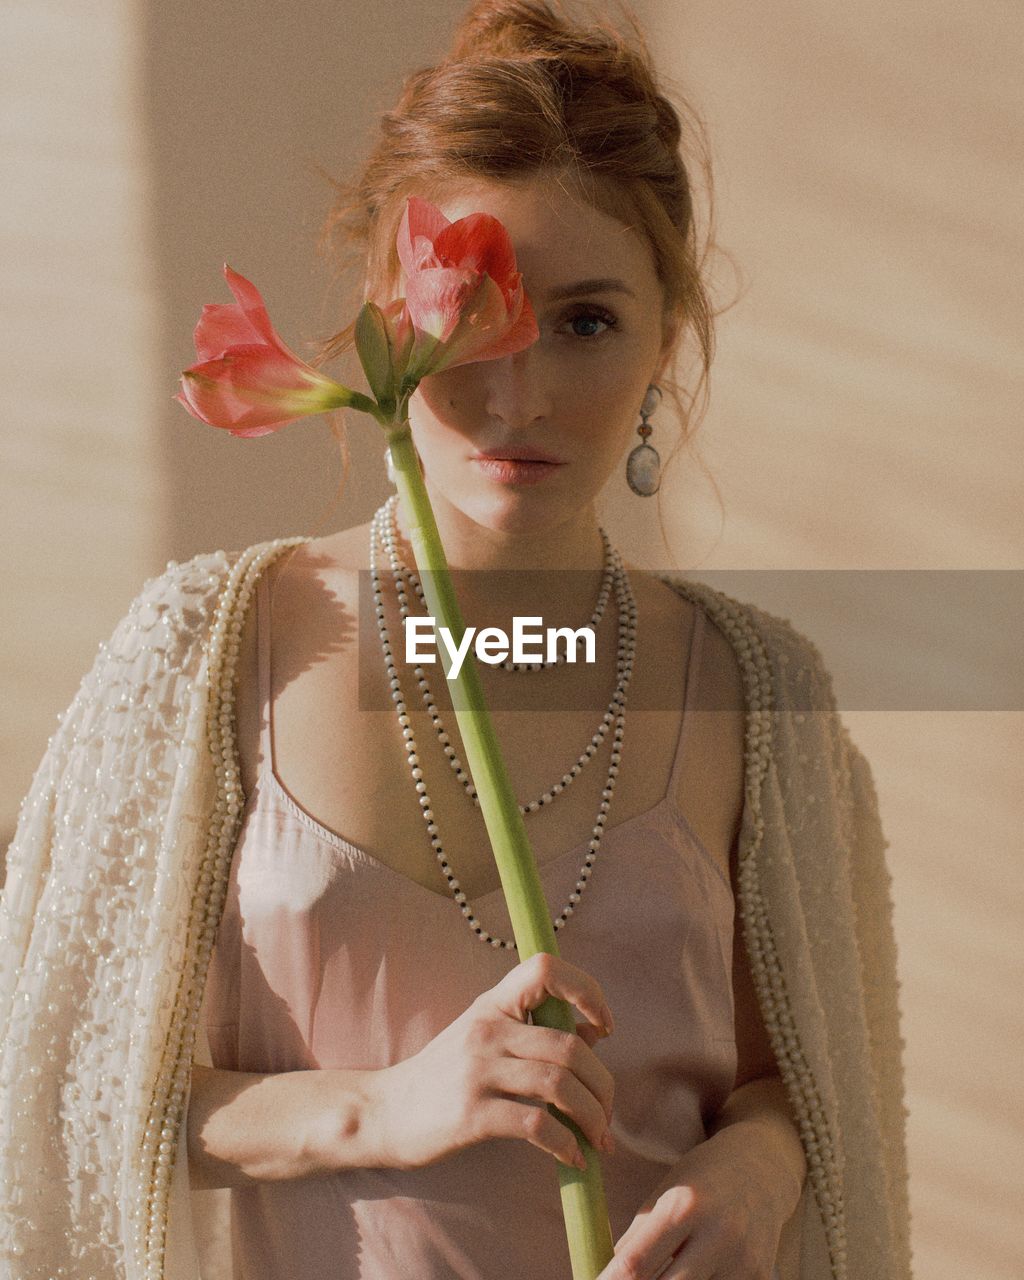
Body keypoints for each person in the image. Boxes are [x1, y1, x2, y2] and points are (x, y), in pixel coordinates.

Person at [0, 2, 911, 1278]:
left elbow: (800, 1076)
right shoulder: (207, 647)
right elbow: (52, 1087)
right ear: (382, 316)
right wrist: (379, 1105)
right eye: (467, 313)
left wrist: (764, 1159)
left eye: (587, 321)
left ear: (667, 338)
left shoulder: (756, 689)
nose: (518, 387)